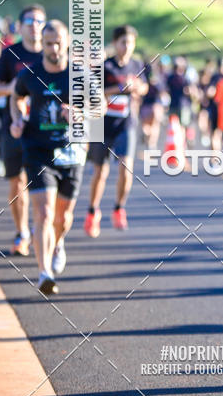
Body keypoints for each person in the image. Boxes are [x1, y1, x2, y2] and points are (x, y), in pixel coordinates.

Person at [10, 20, 85, 295]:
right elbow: (16, 98)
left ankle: (59, 242)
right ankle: (44, 273)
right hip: (38, 150)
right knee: (43, 212)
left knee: (62, 219)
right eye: (49, 43)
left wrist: (80, 116)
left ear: (67, 43)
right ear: (42, 44)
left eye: (58, 42)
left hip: (71, 151)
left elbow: (100, 110)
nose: (54, 48)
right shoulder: (30, 74)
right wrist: (17, 120)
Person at [85, 25, 148, 237]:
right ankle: (93, 212)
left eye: (131, 43)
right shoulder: (105, 67)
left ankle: (119, 208)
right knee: (100, 172)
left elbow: (145, 86)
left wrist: (138, 88)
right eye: (124, 42)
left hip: (126, 124)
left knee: (126, 168)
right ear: (115, 43)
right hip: (103, 125)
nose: (128, 47)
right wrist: (119, 89)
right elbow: (93, 93)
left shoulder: (137, 64)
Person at [0, 5, 45, 256]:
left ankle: (45, 231)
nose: (34, 25)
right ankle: (22, 232)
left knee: (46, 184)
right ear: (21, 25)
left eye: (39, 20)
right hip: (14, 126)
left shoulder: (53, 53)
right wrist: (15, 87)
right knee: (17, 181)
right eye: (29, 20)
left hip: (45, 129)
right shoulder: (10, 55)